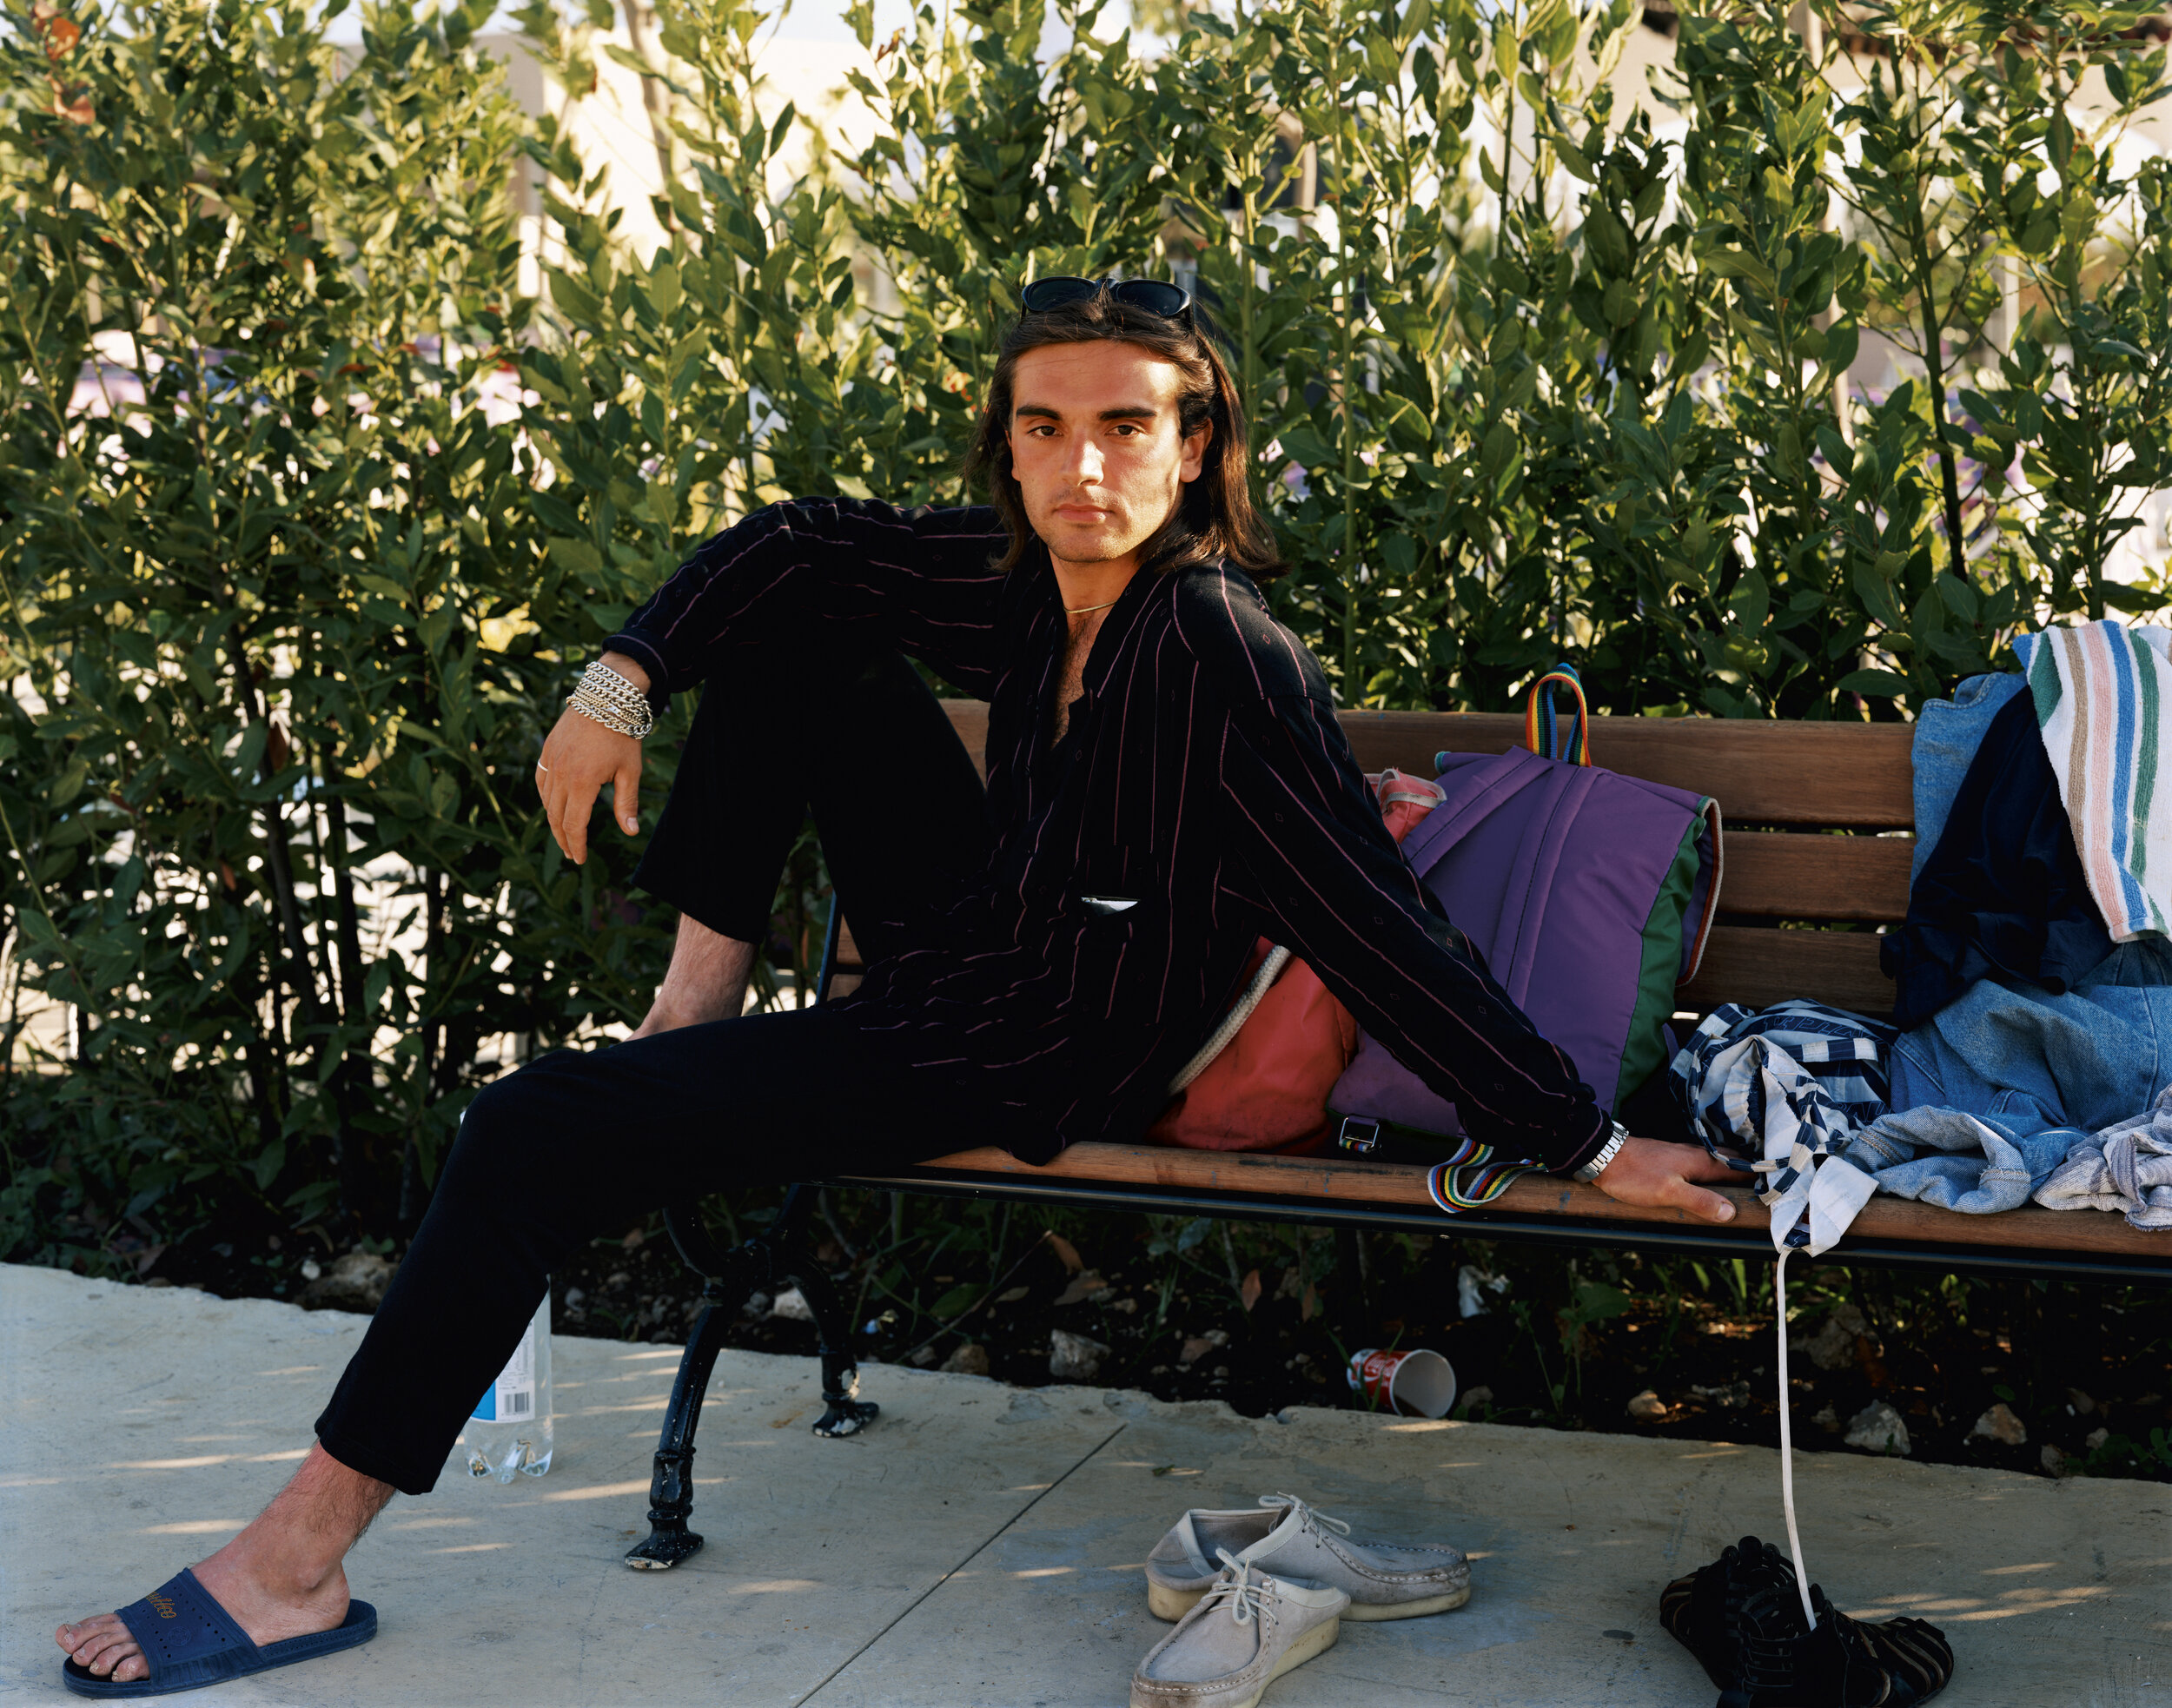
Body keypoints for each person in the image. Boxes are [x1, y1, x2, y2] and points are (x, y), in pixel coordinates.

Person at [56, 277, 1742, 1692]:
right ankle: (687, 1024)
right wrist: (623, 674)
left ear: (1196, 446)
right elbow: (797, 543)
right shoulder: (1036, 580)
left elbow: (1380, 926)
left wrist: (1579, 1144)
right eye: (1041, 427)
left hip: (1029, 1042)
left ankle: (295, 1562)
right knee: (805, 620)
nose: (1081, 464)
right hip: (988, 931)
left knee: (528, 1128)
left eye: (1127, 426)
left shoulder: (1217, 659)